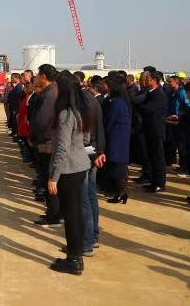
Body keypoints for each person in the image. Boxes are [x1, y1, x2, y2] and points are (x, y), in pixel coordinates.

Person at [48, 71, 92, 275]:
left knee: (71, 215)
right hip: (80, 166)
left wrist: (54, 176)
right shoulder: (79, 110)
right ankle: (76, 251)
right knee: (76, 212)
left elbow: (62, 149)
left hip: (68, 169)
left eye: (56, 87)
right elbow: (85, 139)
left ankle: (74, 259)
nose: (54, 90)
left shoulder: (65, 114)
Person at [31, 64, 60, 227]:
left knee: (48, 178)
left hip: (47, 143)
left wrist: (32, 137)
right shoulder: (54, 90)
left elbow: (41, 121)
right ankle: (54, 212)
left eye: (37, 75)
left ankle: (53, 215)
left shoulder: (49, 94)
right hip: (51, 140)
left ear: (43, 76)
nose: (35, 78)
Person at [80, 75, 105, 255]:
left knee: (84, 199)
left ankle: (87, 241)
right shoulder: (92, 100)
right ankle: (93, 236)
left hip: (85, 155)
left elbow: (85, 135)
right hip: (93, 152)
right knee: (90, 195)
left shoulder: (82, 103)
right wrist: (100, 151)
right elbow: (100, 129)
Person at [104, 76, 133, 204]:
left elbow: (109, 121)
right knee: (121, 167)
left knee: (118, 168)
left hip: (116, 137)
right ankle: (122, 193)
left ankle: (121, 194)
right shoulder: (121, 101)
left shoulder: (115, 102)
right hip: (121, 137)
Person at [138, 71, 168, 193]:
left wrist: (138, 105)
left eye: (148, 79)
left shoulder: (159, 94)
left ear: (154, 80)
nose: (146, 81)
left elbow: (149, 109)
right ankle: (154, 181)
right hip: (149, 129)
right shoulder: (150, 93)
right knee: (152, 157)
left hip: (156, 130)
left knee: (158, 157)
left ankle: (160, 183)